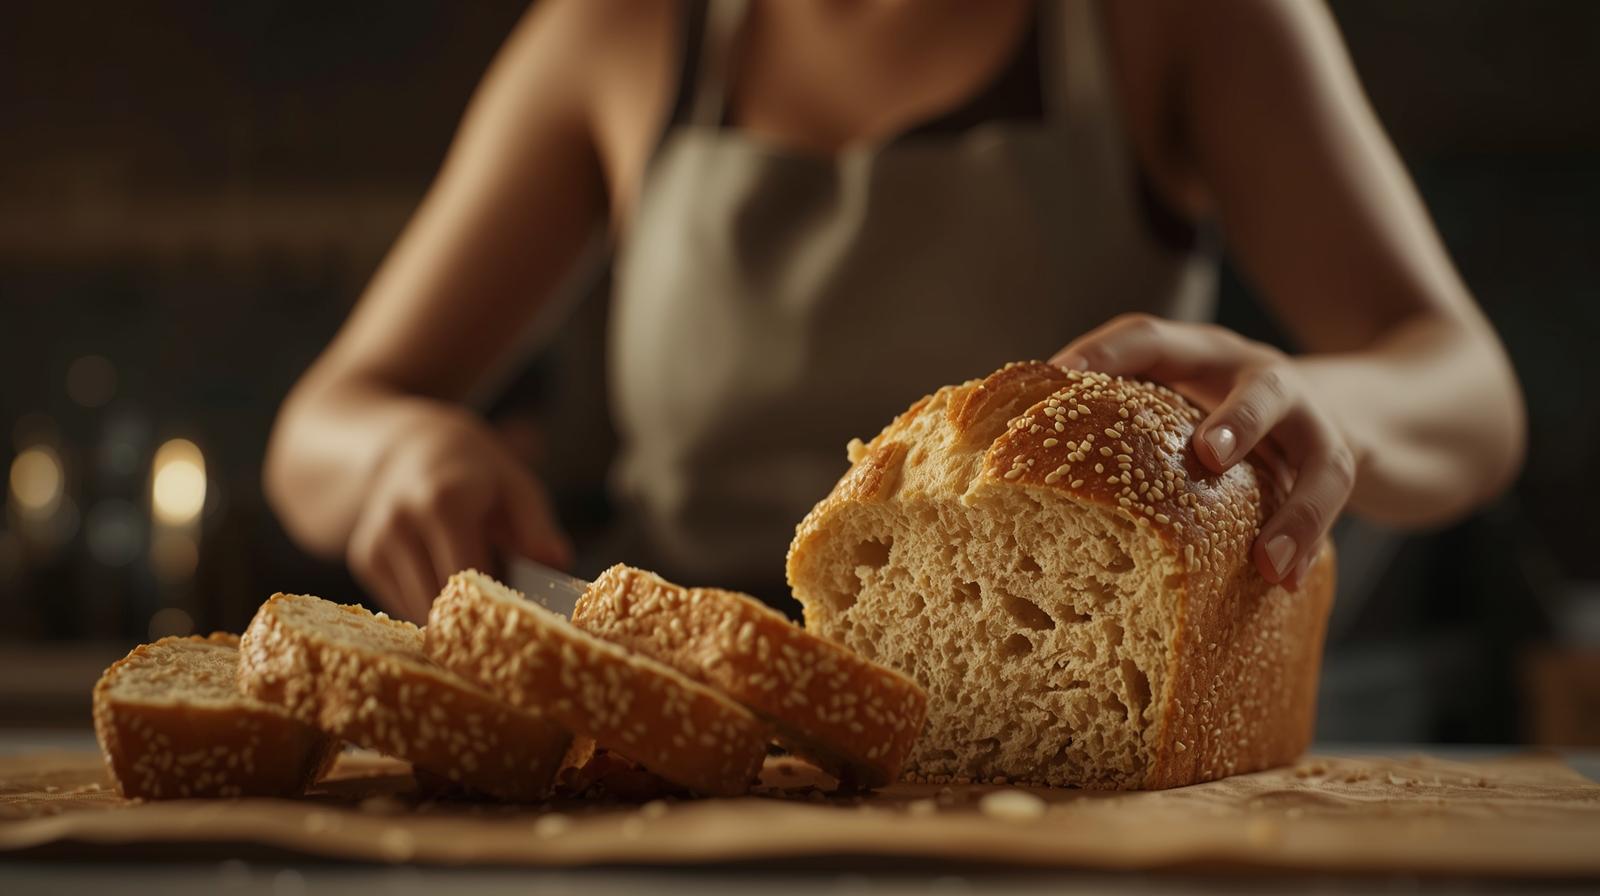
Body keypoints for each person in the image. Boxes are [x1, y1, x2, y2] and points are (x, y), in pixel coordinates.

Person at [265, 0, 1524, 623]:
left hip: (1066, 767)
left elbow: (1465, 389)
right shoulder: (617, 30)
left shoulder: (1181, 19)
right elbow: (325, 421)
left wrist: (1322, 405)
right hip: (674, 772)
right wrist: (402, 447)